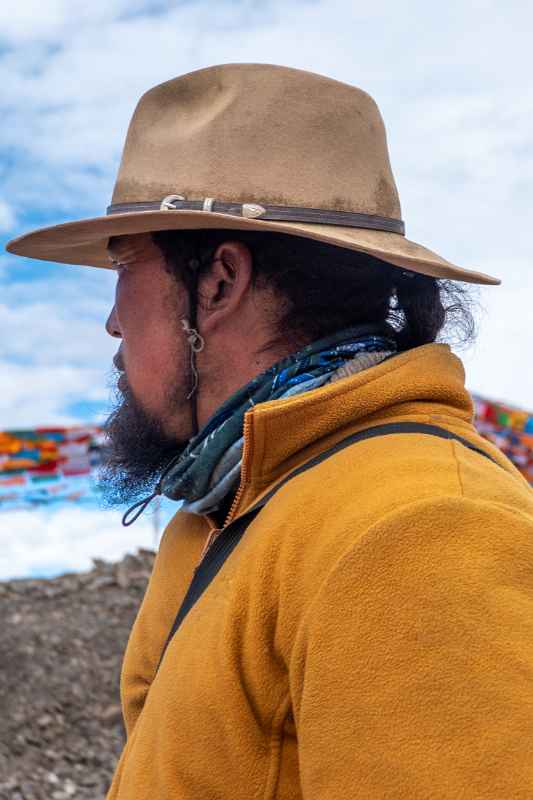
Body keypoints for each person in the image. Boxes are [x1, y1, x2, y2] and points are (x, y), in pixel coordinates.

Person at [7, 63, 533, 799]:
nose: (113, 321)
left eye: (124, 265)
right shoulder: (246, 505)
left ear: (218, 281)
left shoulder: (421, 527)